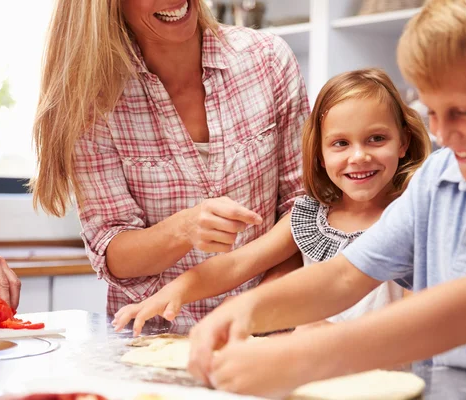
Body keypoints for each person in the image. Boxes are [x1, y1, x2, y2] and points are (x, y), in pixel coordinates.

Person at [185, 0, 466, 396]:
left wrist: (305, 357)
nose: (443, 134)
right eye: (431, 112)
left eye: (464, 111)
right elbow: (345, 275)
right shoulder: (438, 176)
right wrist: (242, 312)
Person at [30, 0, 309, 326]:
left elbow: (305, 205)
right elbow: (112, 250)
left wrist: (257, 310)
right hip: (154, 341)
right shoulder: (93, 105)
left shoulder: (268, 60)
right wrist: (183, 229)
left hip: (269, 325)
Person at [111, 68, 432, 336]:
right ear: (319, 154)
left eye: (377, 139)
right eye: (341, 143)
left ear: (403, 141)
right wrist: (175, 291)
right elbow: (237, 263)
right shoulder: (310, 215)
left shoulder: (409, 214)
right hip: (309, 376)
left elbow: (413, 321)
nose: (359, 156)